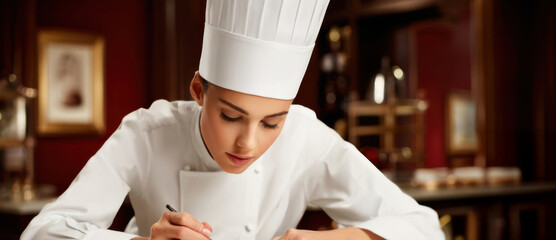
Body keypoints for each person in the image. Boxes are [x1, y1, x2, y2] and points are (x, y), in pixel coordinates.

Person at [22, 0, 444, 239]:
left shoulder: (306, 137)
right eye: (230, 115)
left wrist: (346, 239)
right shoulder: (147, 134)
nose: (248, 143)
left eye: (271, 122)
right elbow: (42, 233)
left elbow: (424, 227)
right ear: (198, 91)